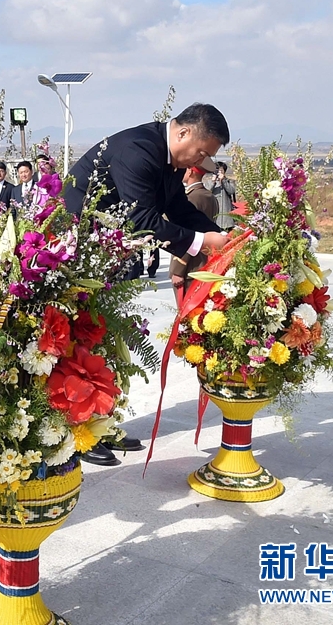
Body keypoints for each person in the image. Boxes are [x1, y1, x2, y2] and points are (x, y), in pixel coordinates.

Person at [64, 102, 231, 465]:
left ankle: (101, 424)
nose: (201, 161)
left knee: (106, 342)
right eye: (202, 153)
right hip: (74, 258)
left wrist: (223, 238)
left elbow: (179, 209)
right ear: (183, 132)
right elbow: (141, 221)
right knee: (79, 345)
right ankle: (77, 434)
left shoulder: (169, 158)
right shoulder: (138, 150)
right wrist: (202, 243)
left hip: (106, 258)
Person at [169, 157, 219, 303]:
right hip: (204, 260)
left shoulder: (193, 198)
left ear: (190, 171)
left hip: (191, 266)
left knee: (187, 309)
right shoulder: (208, 195)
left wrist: (178, 269)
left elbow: (188, 235)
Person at [208, 161, 237, 230]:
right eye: (217, 170)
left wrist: (223, 180)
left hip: (227, 217)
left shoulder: (229, 181)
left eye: (221, 170)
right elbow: (207, 192)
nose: (219, 172)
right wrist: (213, 181)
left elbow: (231, 191)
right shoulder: (210, 182)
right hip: (215, 216)